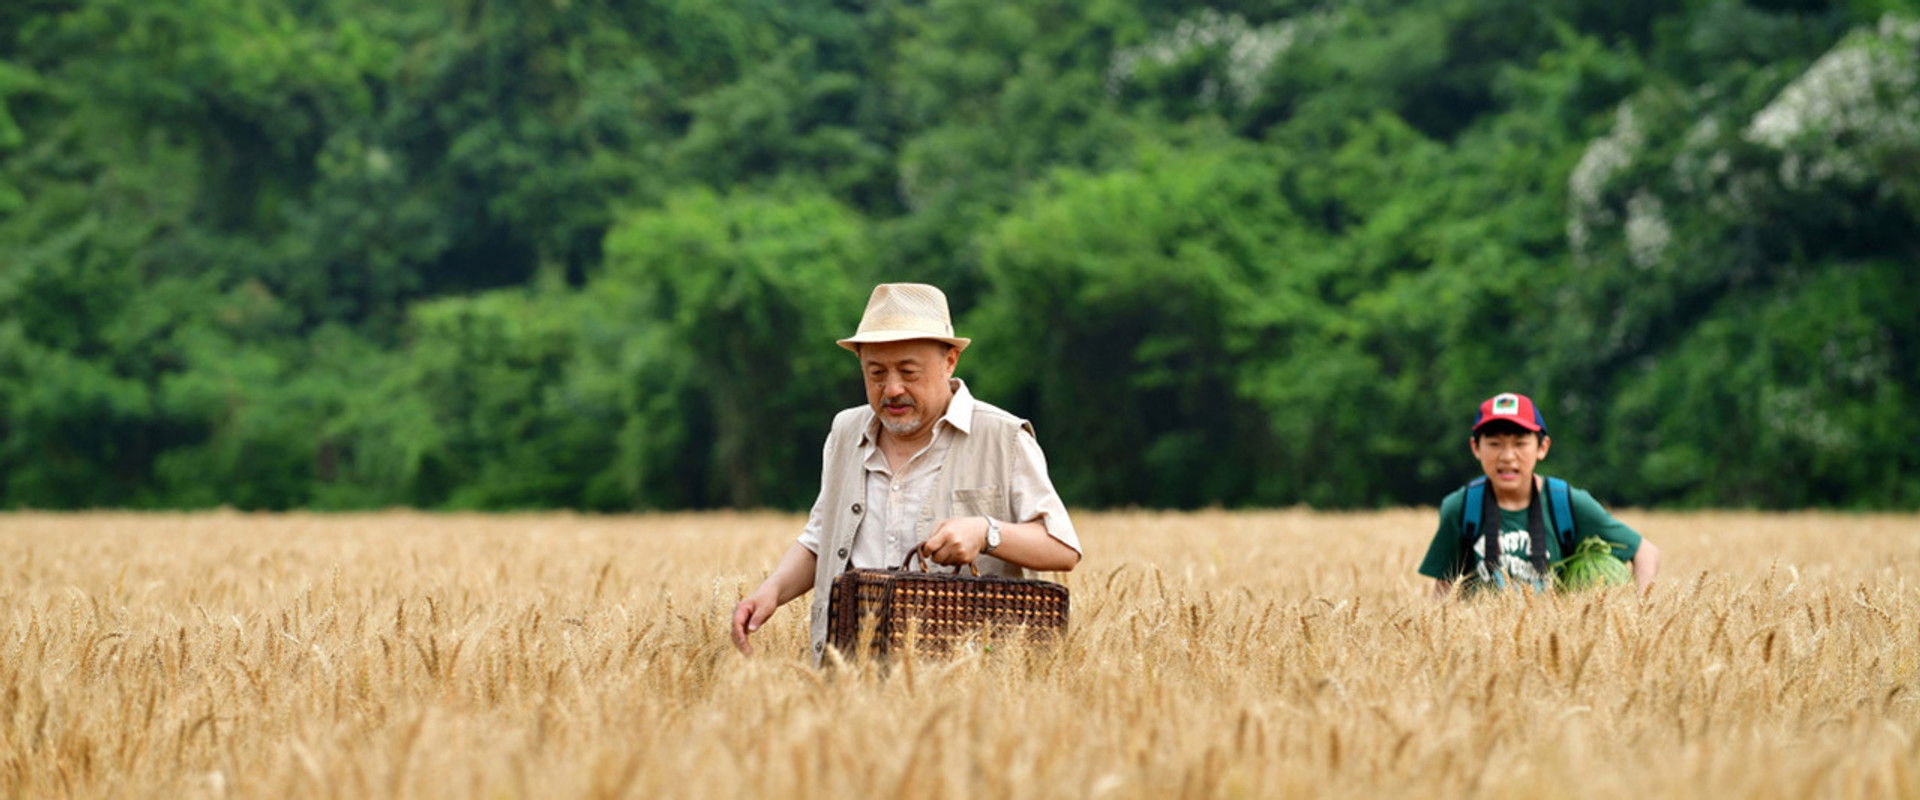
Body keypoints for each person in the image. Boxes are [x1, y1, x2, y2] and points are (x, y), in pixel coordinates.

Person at [730, 283, 1082, 660]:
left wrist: (986, 532)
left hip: (966, 683)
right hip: (849, 674)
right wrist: (770, 592)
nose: (892, 388)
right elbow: (822, 539)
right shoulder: (845, 433)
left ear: (950, 361)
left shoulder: (1003, 437)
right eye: (876, 372)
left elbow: (1062, 549)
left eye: (908, 371)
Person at [1417, 392, 1660, 596]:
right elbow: (1444, 590)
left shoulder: (1566, 503)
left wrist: (1638, 612)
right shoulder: (1461, 507)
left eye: (1520, 443)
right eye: (1494, 443)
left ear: (1542, 448)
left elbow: (1645, 552)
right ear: (1476, 448)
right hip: (1482, 643)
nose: (1507, 456)